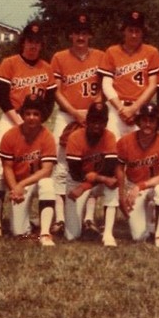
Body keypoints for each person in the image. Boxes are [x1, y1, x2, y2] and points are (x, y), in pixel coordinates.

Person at [0, 21, 57, 236]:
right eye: (29, 41)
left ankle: (28, 212)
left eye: (37, 42)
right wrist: (18, 121)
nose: (33, 46)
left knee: (34, 168)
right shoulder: (9, 63)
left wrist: (36, 122)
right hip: (11, 120)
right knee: (2, 171)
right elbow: (1, 96)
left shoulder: (47, 68)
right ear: (23, 42)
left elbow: (50, 102)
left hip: (35, 123)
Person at [50, 13, 104, 235]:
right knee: (60, 165)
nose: (80, 36)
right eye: (77, 32)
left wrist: (92, 112)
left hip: (93, 117)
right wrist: (74, 112)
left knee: (93, 162)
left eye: (84, 32)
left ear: (90, 35)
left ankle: (89, 218)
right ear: (70, 35)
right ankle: (60, 218)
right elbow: (56, 90)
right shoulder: (59, 57)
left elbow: (103, 87)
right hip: (66, 115)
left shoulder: (101, 56)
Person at [0, 93, 58, 246]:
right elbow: (7, 167)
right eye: (28, 113)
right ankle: (35, 222)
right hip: (18, 184)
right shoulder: (10, 135)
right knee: (19, 232)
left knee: (48, 184)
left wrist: (21, 184)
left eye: (36, 114)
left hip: (34, 181)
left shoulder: (47, 136)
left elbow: (46, 170)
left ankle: (45, 233)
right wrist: (15, 188)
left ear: (42, 116)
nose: (31, 117)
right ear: (22, 114)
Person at [111, 103, 159, 248]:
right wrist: (121, 196)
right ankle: (150, 222)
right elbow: (119, 170)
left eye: (152, 121)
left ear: (157, 123)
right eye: (144, 120)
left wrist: (140, 186)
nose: (148, 124)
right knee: (139, 236)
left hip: (153, 186)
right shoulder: (125, 141)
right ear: (138, 121)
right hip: (133, 186)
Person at [98, 10, 159, 139]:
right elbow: (106, 84)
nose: (133, 35)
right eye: (130, 30)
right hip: (116, 108)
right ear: (124, 31)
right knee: (112, 147)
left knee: (139, 151)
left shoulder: (152, 52)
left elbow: (153, 85)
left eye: (137, 31)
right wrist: (121, 109)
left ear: (143, 32)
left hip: (140, 108)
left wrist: (133, 109)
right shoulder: (112, 51)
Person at [64, 101, 118, 242]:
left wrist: (87, 185)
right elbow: (76, 172)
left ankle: (108, 234)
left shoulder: (110, 136)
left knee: (112, 187)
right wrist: (99, 179)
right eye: (93, 120)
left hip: (90, 183)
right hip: (77, 181)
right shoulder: (75, 137)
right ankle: (81, 222)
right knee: (72, 235)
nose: (96, 125)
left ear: (106, 123)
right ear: (87, 121)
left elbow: (110, 168)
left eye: (100, 121)